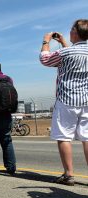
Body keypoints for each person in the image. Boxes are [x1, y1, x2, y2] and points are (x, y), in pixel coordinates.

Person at [39, 19, 88, 186]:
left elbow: (45, 59)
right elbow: (74, 55)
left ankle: (69, 174)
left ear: (75, 32)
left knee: (64, 137)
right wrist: (64, 43)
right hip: (86, 100)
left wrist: (46, 41)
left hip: (67, 99)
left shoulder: (65, 54)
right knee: (87, 138)